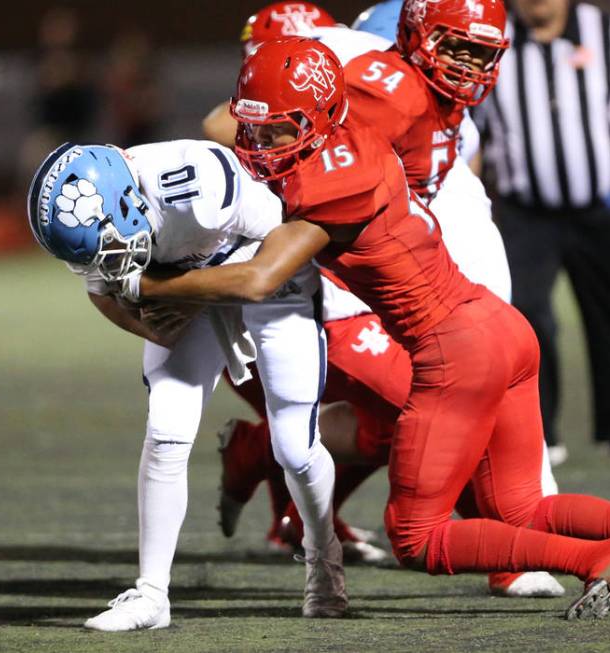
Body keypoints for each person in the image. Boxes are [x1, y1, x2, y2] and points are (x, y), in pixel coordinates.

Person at [123, 33, 610, 619]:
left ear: (318, 120)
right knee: (523, 509)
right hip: (500, 327)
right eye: (255, 132)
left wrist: (146, 284)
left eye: (276, 133)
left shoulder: (331, 184)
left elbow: (261, 278)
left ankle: (593, 558)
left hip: (453, 349)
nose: (260, 148)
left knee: (415, 535)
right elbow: (245, 130)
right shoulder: (350, 130)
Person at [209, 1, 563, 599]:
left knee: (404, 423)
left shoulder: (445, 110)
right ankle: (513, 551)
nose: (469, 64)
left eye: (481, 52)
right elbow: (231, 122)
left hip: (404, 272)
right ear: (414, 37)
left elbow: (445, 173)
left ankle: (264, 461)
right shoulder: (374, 74)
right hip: (335, 290)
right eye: (457, 49)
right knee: (436, 410)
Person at [26, 140, 347, 629]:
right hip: (188, 281)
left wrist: (168, 291)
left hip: (270, 274)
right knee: (167, 426)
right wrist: (151, 328)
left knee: (294, 447)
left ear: (127, 198)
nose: (106, 259)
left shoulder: (197, 184)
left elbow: (273, 261)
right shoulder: (84, 224)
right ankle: (151, 594)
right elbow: (104, 292)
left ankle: (324, 559)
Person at [474, 0, 610, 468]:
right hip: (524, 214)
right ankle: (540, 433)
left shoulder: (607, 32)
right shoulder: (490, 38)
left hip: (598, 210)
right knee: (526, 320)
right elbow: (472, 134)